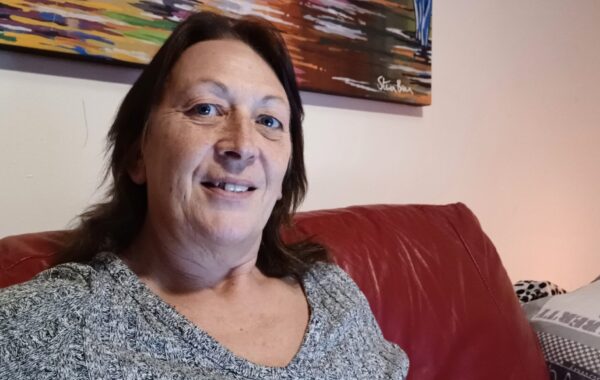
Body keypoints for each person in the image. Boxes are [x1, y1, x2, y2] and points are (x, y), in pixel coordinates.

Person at [0, 12, 409, 379]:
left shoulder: (333, 292)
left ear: (285, 174)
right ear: (137, 155)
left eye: (268, 120)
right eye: (205, 109)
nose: (243, 145)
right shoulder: (41, 326)